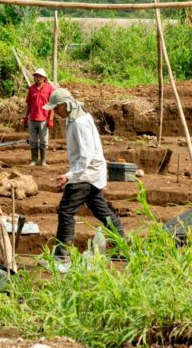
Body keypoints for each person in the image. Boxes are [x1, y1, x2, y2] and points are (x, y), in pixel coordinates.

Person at [43, 87, 125, 260]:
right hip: (90, 173)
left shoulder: (80, 123)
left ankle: (62, 256)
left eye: (57, 108)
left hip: (86, 174)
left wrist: (69, 175)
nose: (55, 112)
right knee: (103, 212)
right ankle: (122, 249)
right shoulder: (75, 118)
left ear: (66, 105)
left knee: (65, 211)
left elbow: (86, 155)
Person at [22, 68, 54, 166]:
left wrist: (51, 119)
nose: (38, 78)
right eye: (36, 76)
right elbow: (28, 104)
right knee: (33, 141)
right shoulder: (31, 89)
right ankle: (34, 160)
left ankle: (43, 160)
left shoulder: (49, 89)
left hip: (44, 119)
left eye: (40, 76)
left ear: (44, 78)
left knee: (44, 141)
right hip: (32, 119)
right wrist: (25, 117)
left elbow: (52, 105)